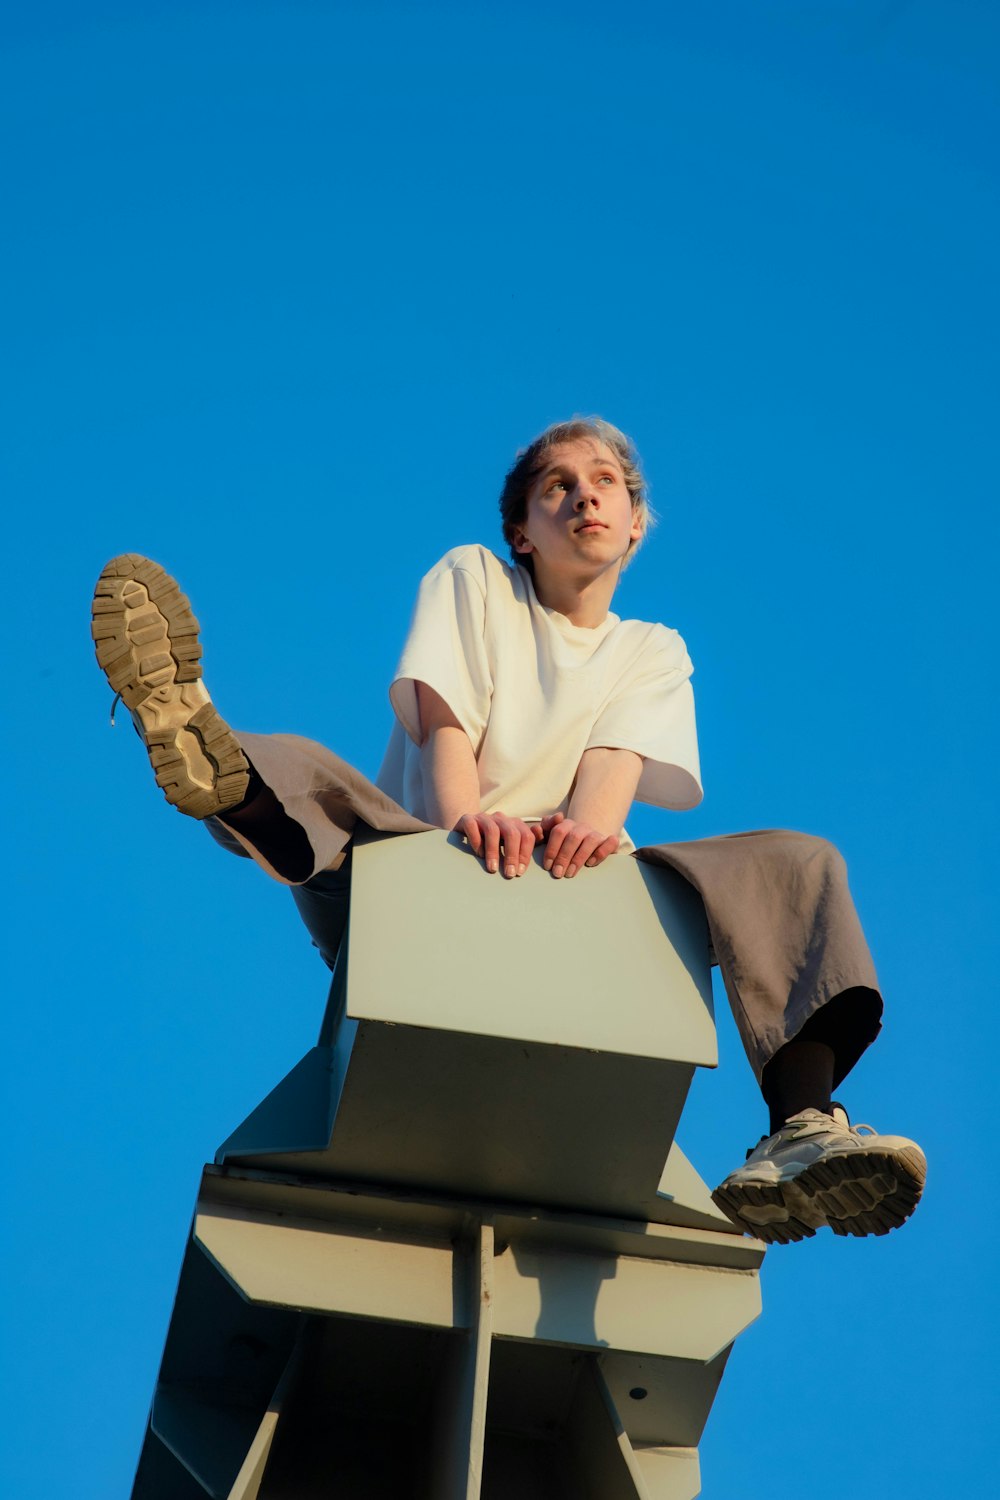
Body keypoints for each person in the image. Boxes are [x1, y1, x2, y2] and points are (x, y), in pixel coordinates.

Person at [91, 416, 926, 1245]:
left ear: (635, 524)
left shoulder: (652, 650)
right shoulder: (474, 577)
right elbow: (446, 732)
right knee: (310, 776)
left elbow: (599, 811)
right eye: (556, 486)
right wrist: (467, 828)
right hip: (416, 859)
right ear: (520, 532)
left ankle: (801, 1125)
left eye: (605, 484)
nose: (583, 497)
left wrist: (570, 842)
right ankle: (208, 752)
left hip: (578, 891)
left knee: (798, 863)